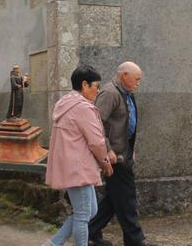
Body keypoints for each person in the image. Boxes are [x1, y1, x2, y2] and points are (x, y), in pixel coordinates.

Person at [44, 65, 113, 246]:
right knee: (83, 214)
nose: (98, 91)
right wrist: (105, 162)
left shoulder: (66, 103)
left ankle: (53, 243)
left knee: (89, 211)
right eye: (96, 86)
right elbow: (96, 141)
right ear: (84, 85)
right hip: (78, 166)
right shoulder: (83, 108)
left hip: (71, 164)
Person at [88, 61, 153, 246]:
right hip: (114, 157)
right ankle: (135, 240)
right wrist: (107, 149)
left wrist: (131, 149)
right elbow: (96, 123)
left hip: (124, 153)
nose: (139, 83)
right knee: (127, 197)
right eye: (137, 79)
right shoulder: (110, 93)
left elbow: (126, 124)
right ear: (124, 75)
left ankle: (90, 231)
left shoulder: (127, 93)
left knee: (113, 198)